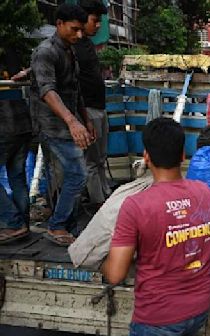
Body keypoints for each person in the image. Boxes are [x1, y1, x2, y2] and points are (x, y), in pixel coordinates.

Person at [102, 118, 210, 336]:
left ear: (146, 156)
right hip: (197, 310)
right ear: (183, 154)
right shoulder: (205, 193)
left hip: (157, 319)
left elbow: (115, 274)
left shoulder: (136, 206)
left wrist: (103, 261)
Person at [29, 4, 93, 246]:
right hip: (51, 125)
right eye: (74, 29)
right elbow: (48, 90)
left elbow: (74, 90)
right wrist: (73, 122)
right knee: (77, 174)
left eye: (81, 31)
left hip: (69, 123)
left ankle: (68, 225)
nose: (79, 35)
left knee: (73, 175)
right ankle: (56, 226)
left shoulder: (69, 50)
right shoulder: (45, 51)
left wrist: (85, 119)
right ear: (59, 24)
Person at [76, 0, 111, 208]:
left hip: (99, 107)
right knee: (91, 159)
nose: (97, 25)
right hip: (88, 109)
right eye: (94, 20)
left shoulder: (88, 44)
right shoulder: (71, 45)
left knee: (100, 157)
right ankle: (99, 202)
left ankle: (105, 194)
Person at [0, 72, 33, 244]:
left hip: (5, 128)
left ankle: (13, 223)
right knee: (17, 178)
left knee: (17, 177)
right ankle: (22, 224)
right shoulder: (8, 71)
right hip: (23, 127)